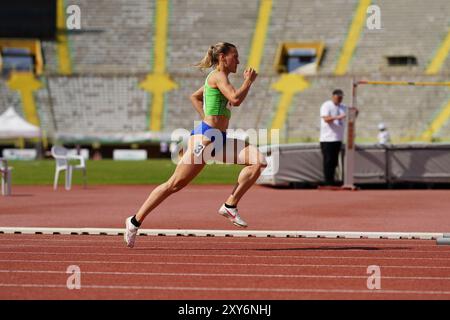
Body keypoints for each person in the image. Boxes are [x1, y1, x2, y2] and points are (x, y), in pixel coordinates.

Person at [124, 42, 266, 248]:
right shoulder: (218, 76)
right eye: (234, 56)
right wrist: (248, 82)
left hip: (220, 138)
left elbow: (195, 97)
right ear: (222, 58)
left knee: (258, 162)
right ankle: (134, 221)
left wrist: (207, 119)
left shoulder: (215, 79)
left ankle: (230, 205)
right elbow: (235, 99)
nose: (238, 60)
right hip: (206, 138)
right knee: (174, 184)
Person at [319, 89, 348, 186]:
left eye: (341, 98)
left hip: (338, 138)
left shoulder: (343, 107)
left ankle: (333, 180)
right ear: (333, 97)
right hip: (328, 139)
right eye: (338, 97)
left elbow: (350, 115)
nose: (340, 99)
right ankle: (328, 182)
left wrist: (355, 112)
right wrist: (337, 117)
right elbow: (326, 119)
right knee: (328, 161)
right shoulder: (326, 105)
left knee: (335, 162)